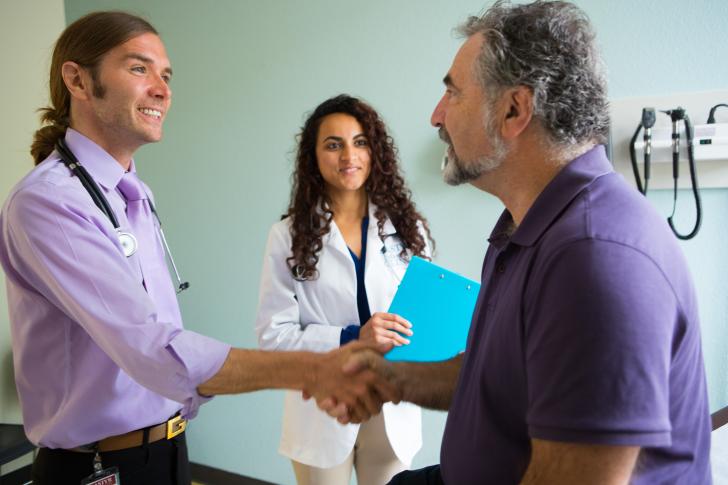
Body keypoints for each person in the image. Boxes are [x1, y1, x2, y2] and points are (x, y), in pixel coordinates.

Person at [323, 2, 713, 484]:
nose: (436, 116)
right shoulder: (522, 227)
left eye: (453, 93)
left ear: (514, 110)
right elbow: (497, 374)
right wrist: (390, 379)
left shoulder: (596, 259)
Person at [0, 12, 394, 485]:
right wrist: (316, 367)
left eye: (166, 75)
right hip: (99, 467)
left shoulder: (131, 194)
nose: (162, 89)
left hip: (167, 447)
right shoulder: (49, 203)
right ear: (78, 80)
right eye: (139, 68)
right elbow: (153, 348)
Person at [255, 94, 433, 485]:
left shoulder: (409, 232)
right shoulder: (287, 237)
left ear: (375, 152)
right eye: (333, 144)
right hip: (323, 408)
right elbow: (273, 336)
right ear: (313, 157)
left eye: (360, 142)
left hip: (392, 406)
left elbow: (424, 317)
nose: (348, 155)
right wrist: (354, 337)